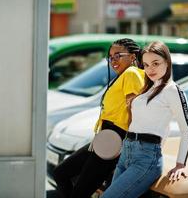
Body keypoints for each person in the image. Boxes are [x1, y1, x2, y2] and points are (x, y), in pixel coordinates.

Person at [52, 38, 145, 198]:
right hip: (104, 139)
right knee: (61, 173)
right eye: (110, 57)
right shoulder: (123, 75)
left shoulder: (131, 73)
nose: (113, 60)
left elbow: (135, 111)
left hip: (114, 141)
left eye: (118, 55)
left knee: (77, 190)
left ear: (133, 56)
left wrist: (126, 145)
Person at [101, 41, 188, 198]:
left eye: (156, 63)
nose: (150, 69)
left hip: (146, 158)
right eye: (147, 64)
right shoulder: (147, 88)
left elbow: (187, 130)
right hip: (127, 151)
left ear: (167, 62)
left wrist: (180, 164)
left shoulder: (172, 90)